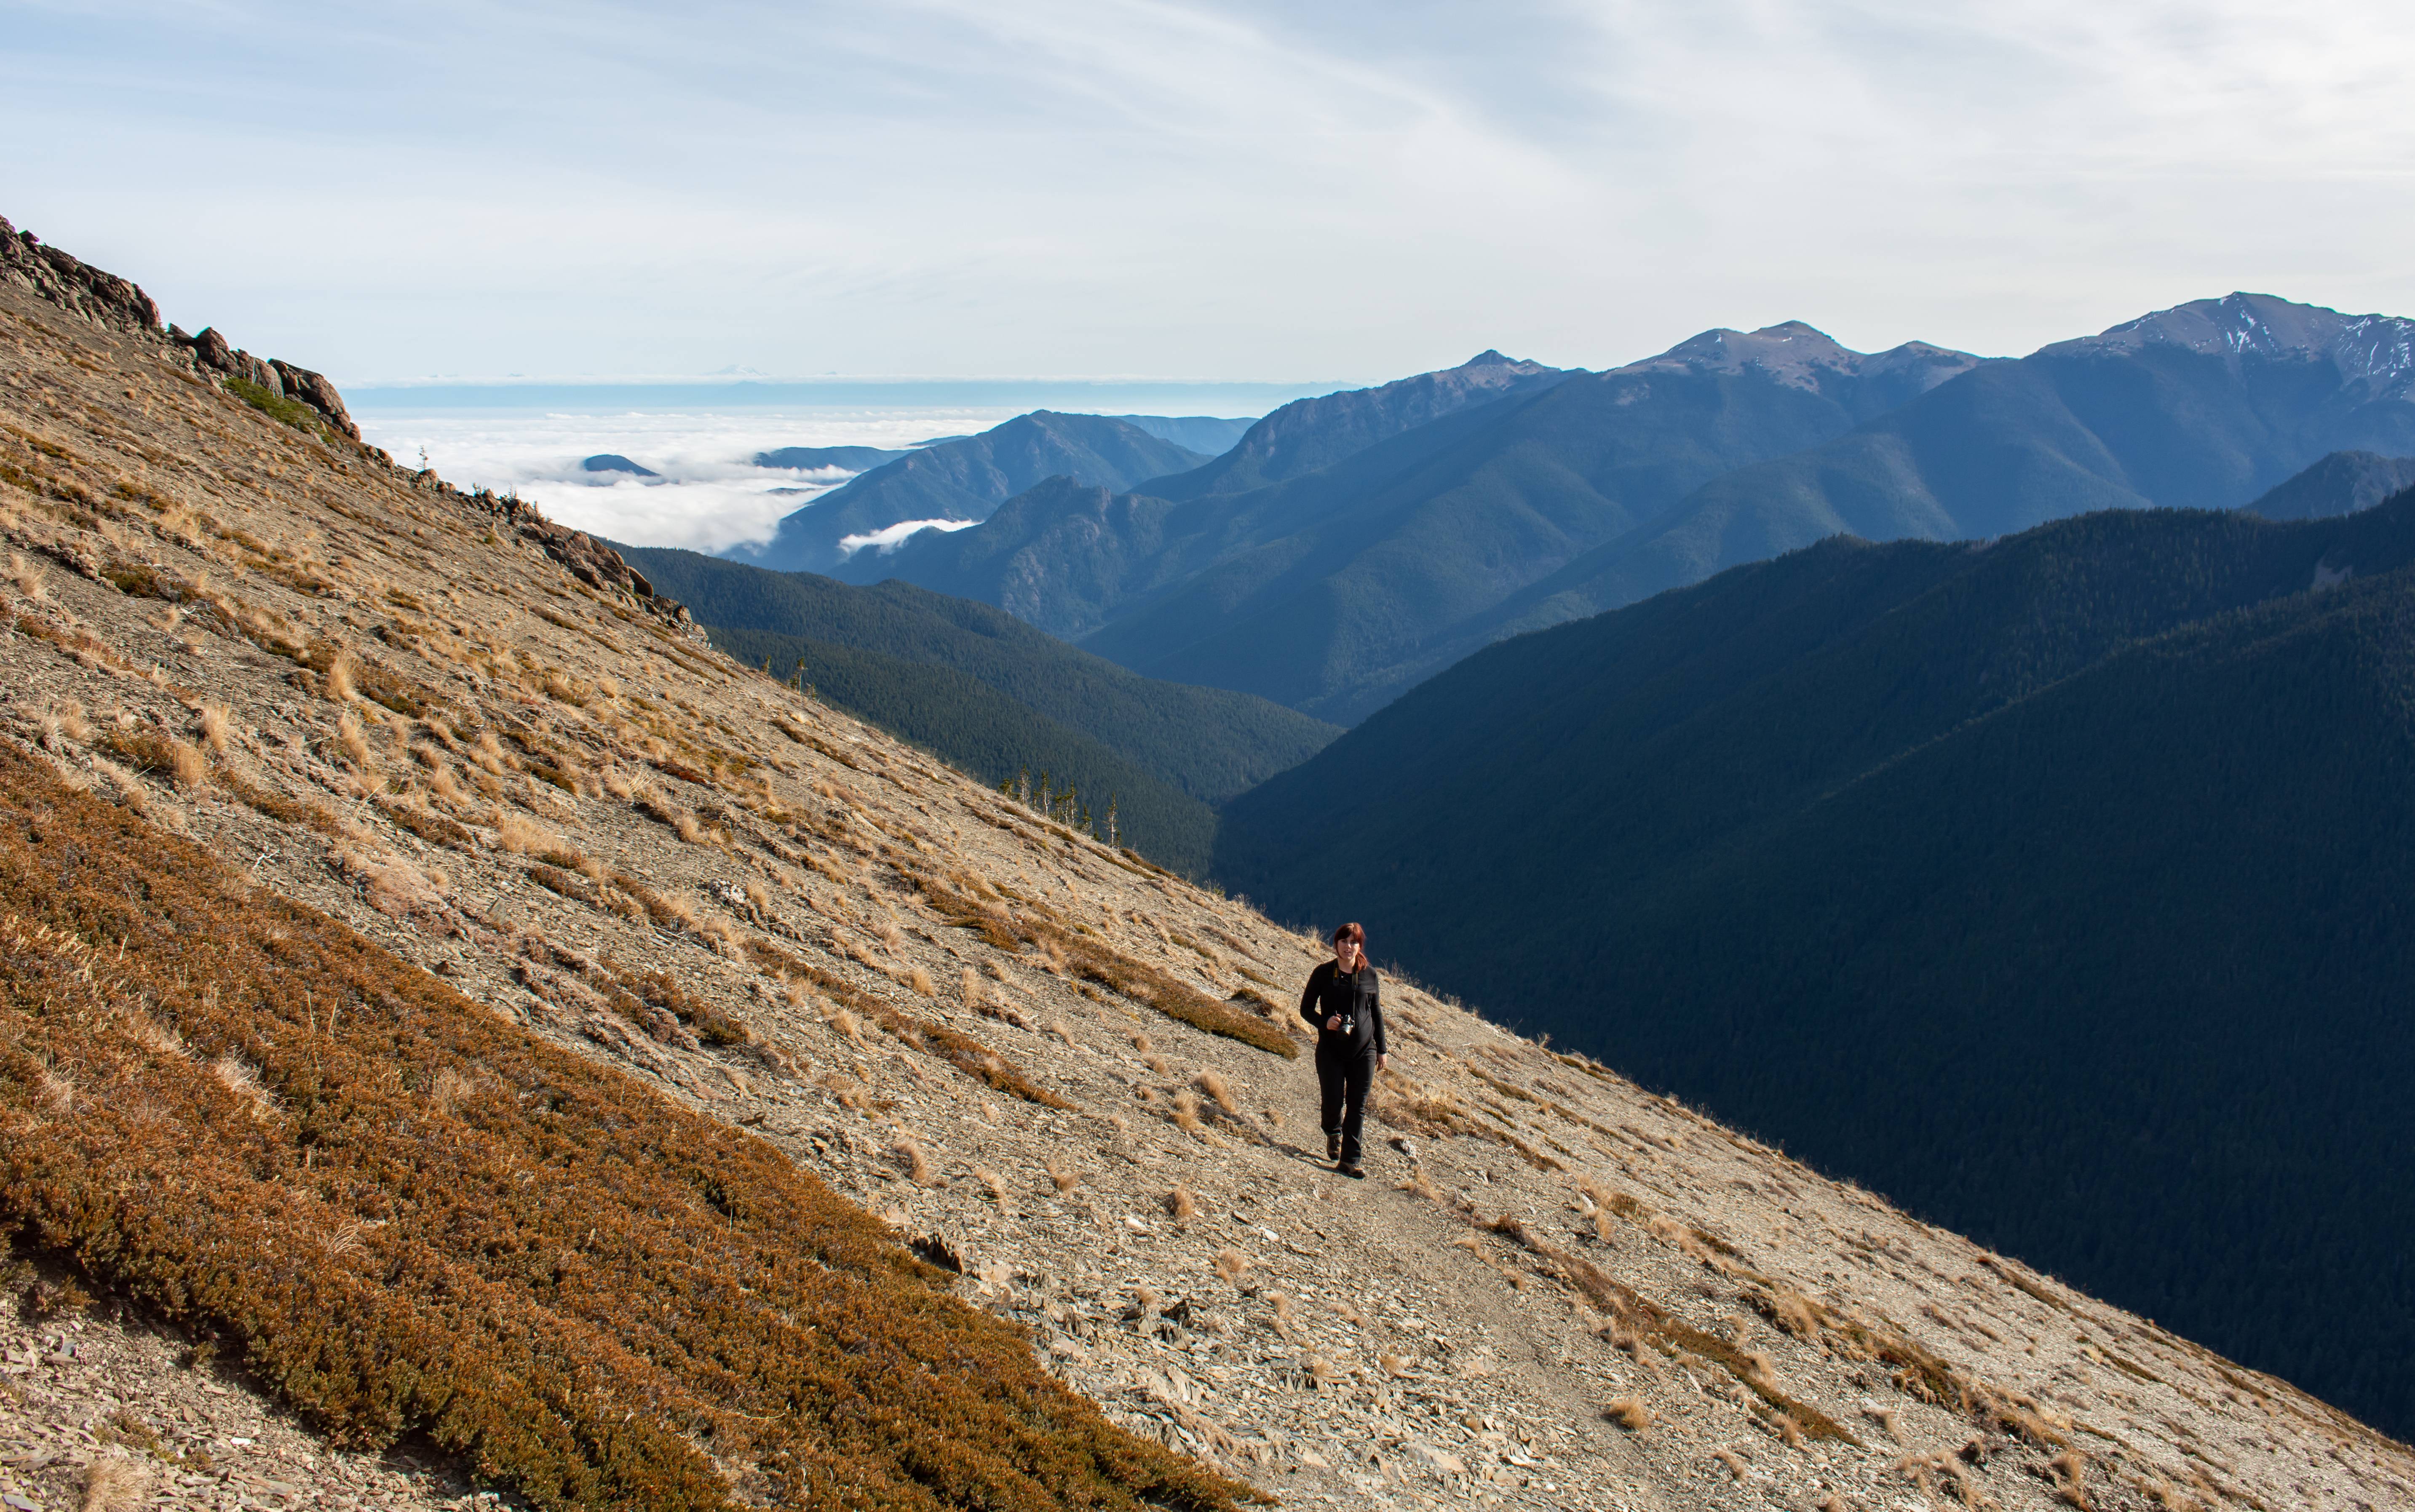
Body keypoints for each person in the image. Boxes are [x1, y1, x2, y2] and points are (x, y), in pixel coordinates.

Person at [1299, 921, 1387, 1178]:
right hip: (1331, 1050)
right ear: (1336, 944)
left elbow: (1377, 1012)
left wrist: (1382, 1049)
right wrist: (1324, 1022)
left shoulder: (1370, 975)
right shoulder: (1323, 973)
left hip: (1364, 1051)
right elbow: (1305, 1009)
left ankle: (1350, 1161)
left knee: (1357, 1105)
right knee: (1333, 1102)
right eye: (1344, 941)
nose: (1349, 947)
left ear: (1360, 946)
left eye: (1354, 942)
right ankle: (1332, 1131)